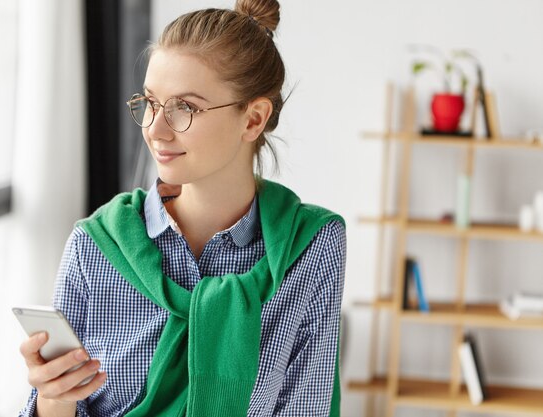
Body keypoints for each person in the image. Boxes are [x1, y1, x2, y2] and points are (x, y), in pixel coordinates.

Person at [18, 0, 346, 416]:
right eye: (150, 102)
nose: (155, 129)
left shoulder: (309, 246)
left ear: (253, 119)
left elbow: (307, 408)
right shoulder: (97, 244)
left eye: (185, 107)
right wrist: (53, 396)